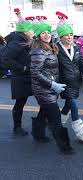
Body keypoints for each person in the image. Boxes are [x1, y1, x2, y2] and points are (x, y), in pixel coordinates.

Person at [30, 16, 74, 154]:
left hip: (49, 88)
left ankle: (37, 134)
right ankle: (65, 146)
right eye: (43, 33)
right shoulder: (38, 50)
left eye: (48, 32)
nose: (47, 35)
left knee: (44, 112)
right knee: (56, 118)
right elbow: (35, 72)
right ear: (38, 36)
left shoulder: (49, 48)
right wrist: (52, 84)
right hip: (44, 89)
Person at [55, 12, 83, 143]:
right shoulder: (56, 50)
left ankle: (56, 124)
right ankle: (81, 133)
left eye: (71, 35)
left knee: (67, 106)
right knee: (74, 106)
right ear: (61, 37)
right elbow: (53, 68)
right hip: (63, 84)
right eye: (67, 35)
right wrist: (54, 83)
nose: (70, 37)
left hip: (75, 82)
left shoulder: (76, 47)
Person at [1, 8, 34, 136]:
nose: (32, 31)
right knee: (20, 103)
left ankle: (43, 121)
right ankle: (17, 127)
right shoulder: (17, 42)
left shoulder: (25, 40)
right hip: (21, 78)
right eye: (30, 29)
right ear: (25, 31)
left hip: (29, 76)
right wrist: (22, 68)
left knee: (44, 98)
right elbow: (5, 58)